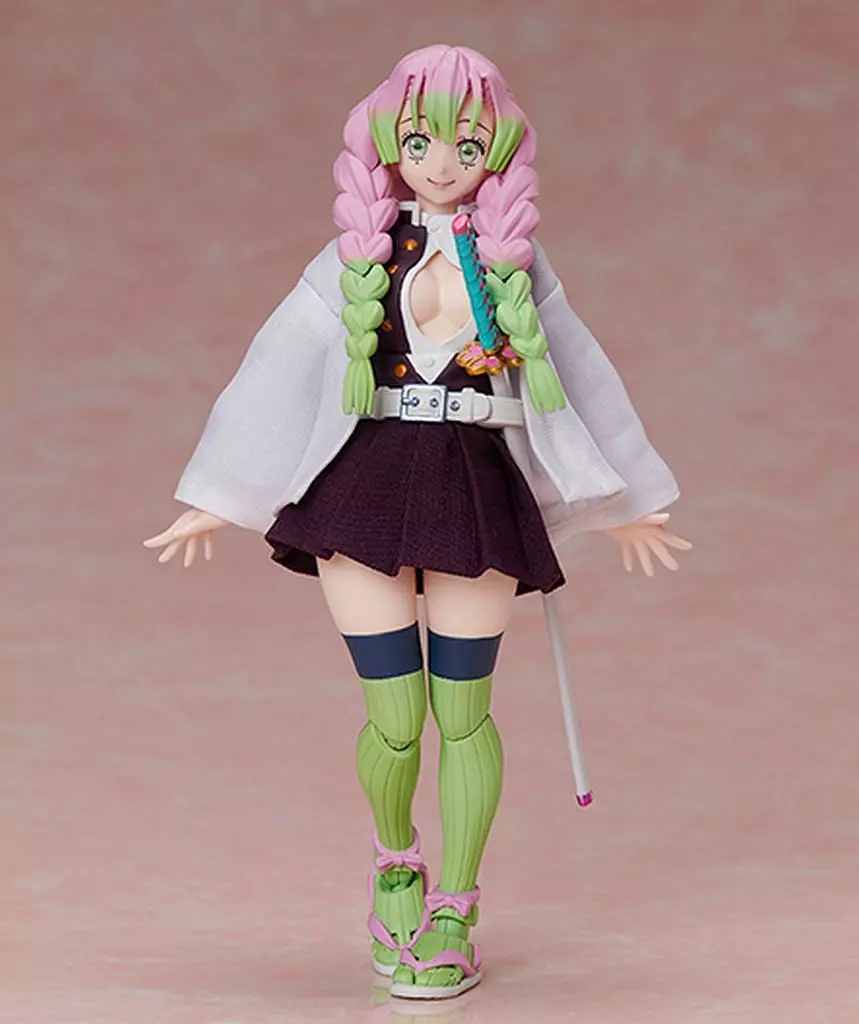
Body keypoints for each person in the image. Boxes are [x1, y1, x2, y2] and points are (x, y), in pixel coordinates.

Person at [144, 44, 691, 1001]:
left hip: (473, 492)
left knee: (463, 711)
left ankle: (457, 906)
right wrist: (218, 492)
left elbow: (577, 374)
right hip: (366, 488)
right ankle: (395, 863)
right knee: (394, 718)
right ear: (389, 143)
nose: (442, 162)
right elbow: (278, 366)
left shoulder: (511, 262)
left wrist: (626, 501)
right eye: (421, 140)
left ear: (498, 151)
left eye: (467, 144)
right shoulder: (355, 257)